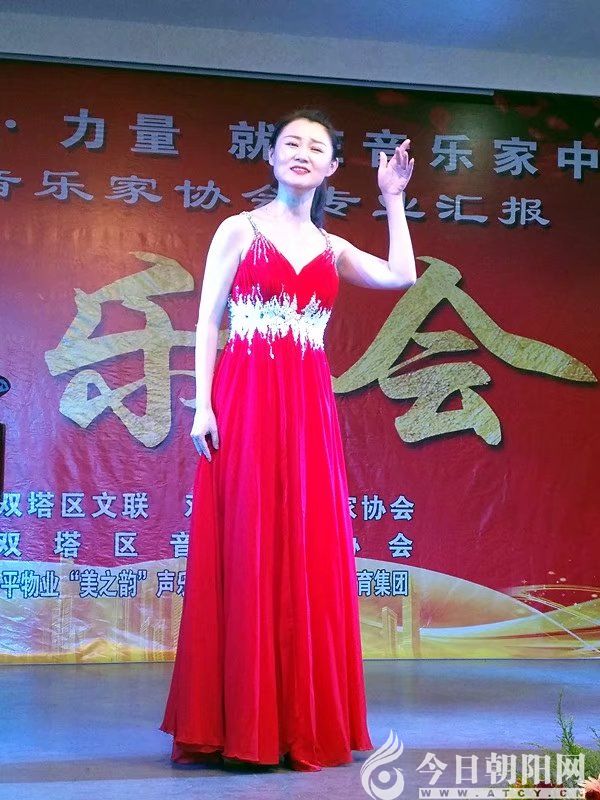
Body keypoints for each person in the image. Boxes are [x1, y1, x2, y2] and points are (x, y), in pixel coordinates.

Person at [160, 108, 416, 772]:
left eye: (316, 147)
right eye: (291, 143)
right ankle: (238, 723)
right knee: (246, 543)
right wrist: (203, 405)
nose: (302, 153)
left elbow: (402, 276)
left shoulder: (332, 248)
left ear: (331, 168)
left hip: (306, 408)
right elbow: (207, 321)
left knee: (304, 547)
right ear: (272, 158)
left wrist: (393, 200)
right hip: (244, 398)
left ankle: (296, 721)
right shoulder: (238, 230)